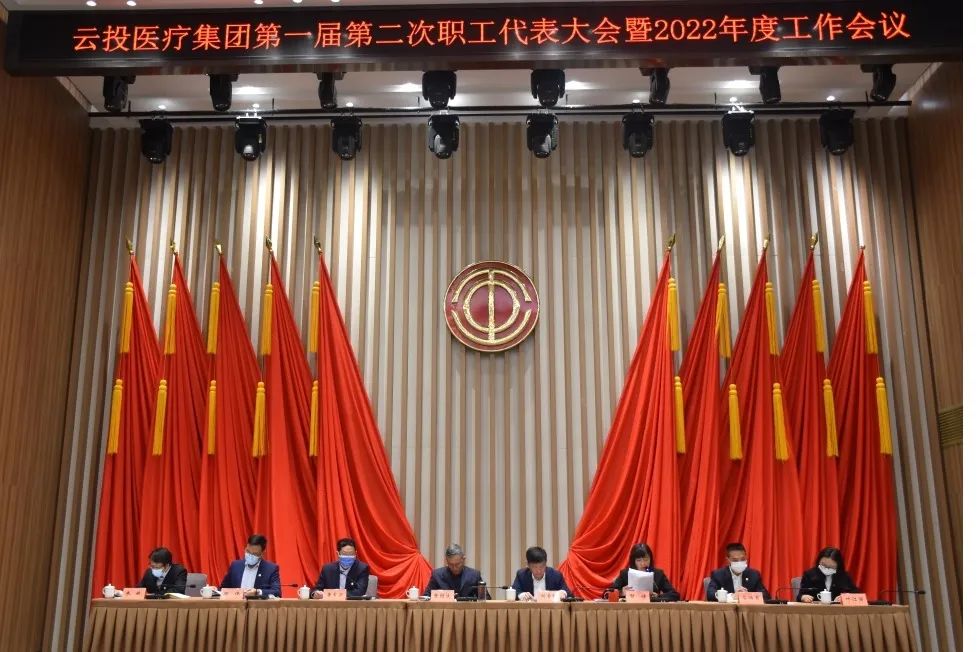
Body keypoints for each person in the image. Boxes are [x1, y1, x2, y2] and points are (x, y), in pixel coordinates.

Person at [610, 542, 680, 601]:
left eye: (646, 560)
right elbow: (608, 593)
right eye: (639, 560)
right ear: (633, 561)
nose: (643, 563)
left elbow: (674, 594)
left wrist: (657, 596)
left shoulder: (658, 574)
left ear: (650, 559)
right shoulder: (625, 574)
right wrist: (621, 592)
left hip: (652, 609)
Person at [706, 542, 770, 601]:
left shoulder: (754, 574)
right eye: (735, 560)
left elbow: (766, 595)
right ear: (728, 560)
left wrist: (748, 596)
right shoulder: (718, 575)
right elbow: (710, 594)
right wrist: (732, 596)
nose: (739, 562)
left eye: (742, 559)